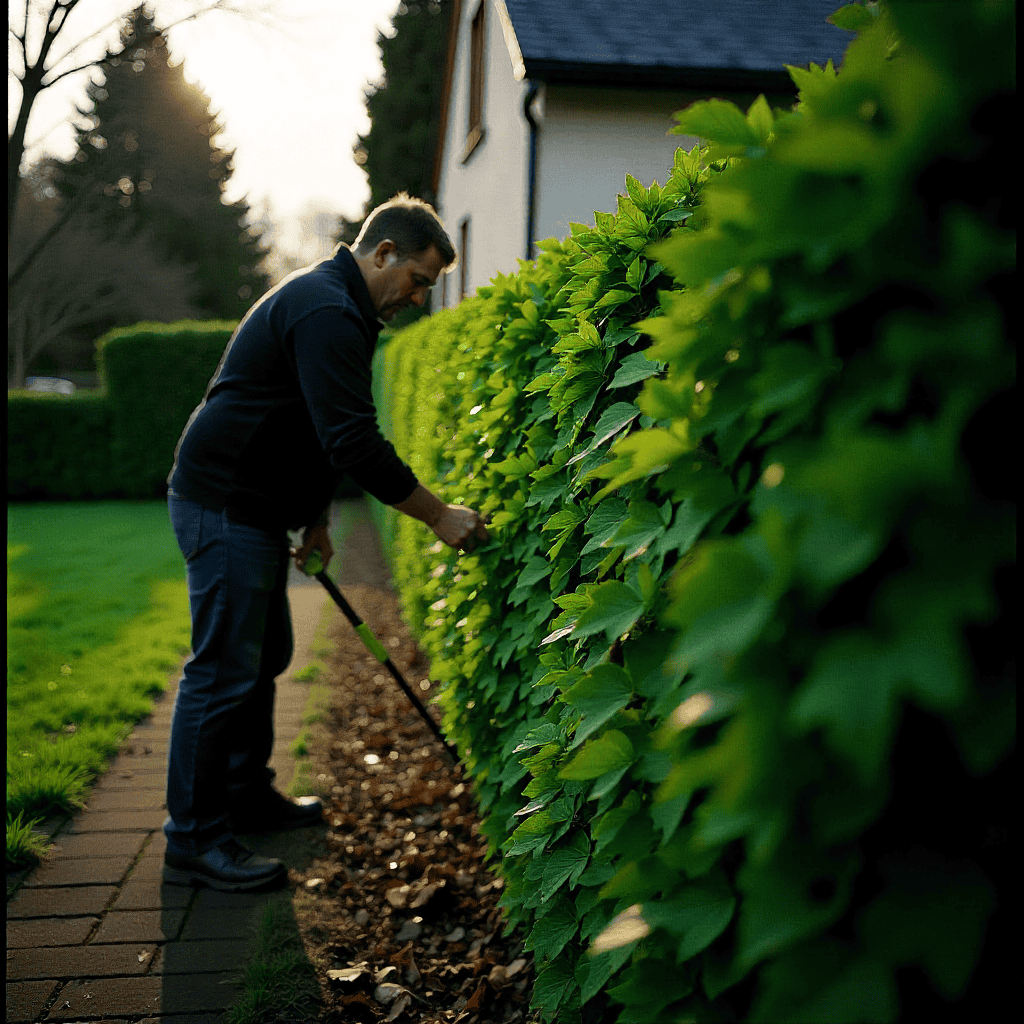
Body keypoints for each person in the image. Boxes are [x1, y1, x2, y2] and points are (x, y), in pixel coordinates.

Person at [162, 194, 489, 892]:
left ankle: (245, 796)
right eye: (419, 280)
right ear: (383, 254)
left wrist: (313, 520)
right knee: (222, 670)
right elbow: (352, 442)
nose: (419, 298)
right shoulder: (327, 310)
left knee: (264, 657)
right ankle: (192, 838)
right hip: (222, 502)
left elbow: (314, 430)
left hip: (255, 509)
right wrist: (437, 516)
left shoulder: (343, 308)